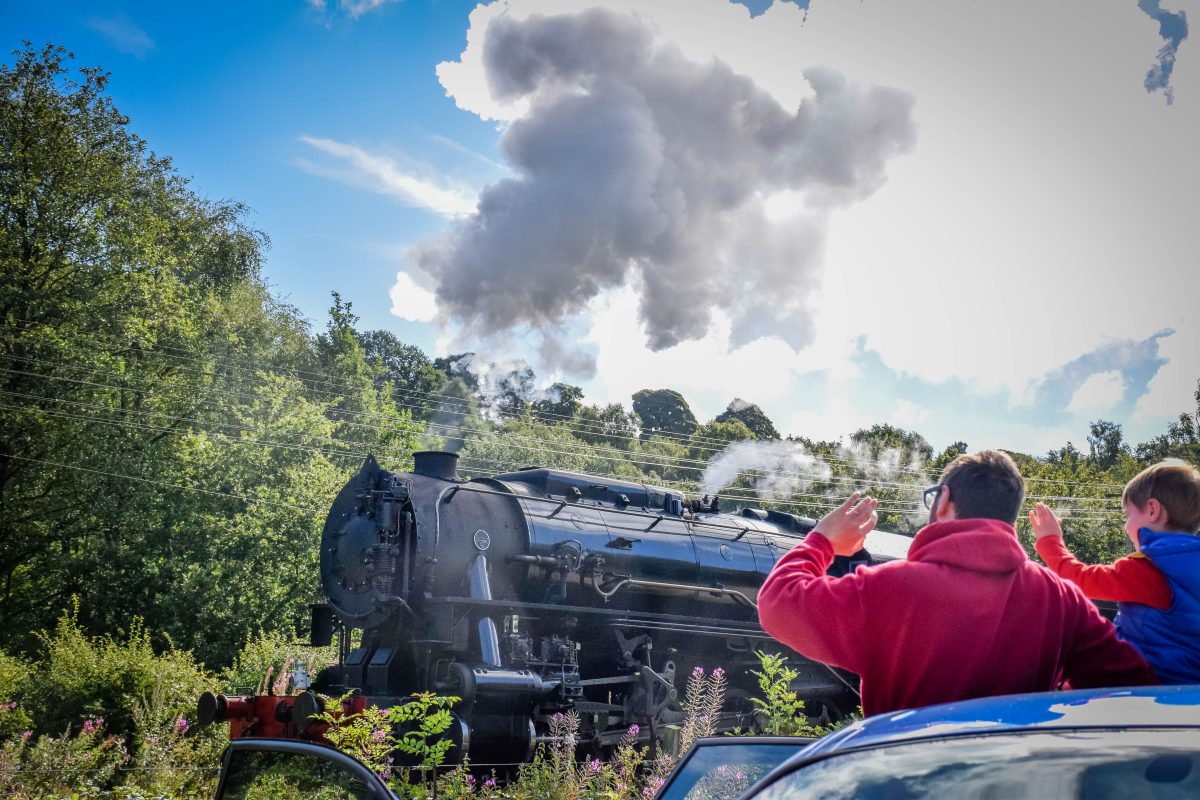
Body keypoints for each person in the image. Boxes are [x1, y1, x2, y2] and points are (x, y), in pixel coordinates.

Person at [757, 450, 1156, 717]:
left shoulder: (891, 587)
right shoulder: (1060, 597)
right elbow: (1133, 687)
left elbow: (778, 602)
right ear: (1009, 516)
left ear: (943, 499)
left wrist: (822, 541)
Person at [1031, 459, 1200, 684]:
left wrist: (1050, 541)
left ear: (1152, 510)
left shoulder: (1147, 569)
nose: (1125, 526)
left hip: (1150, 685)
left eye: (1128, 515)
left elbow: (1078, 578)